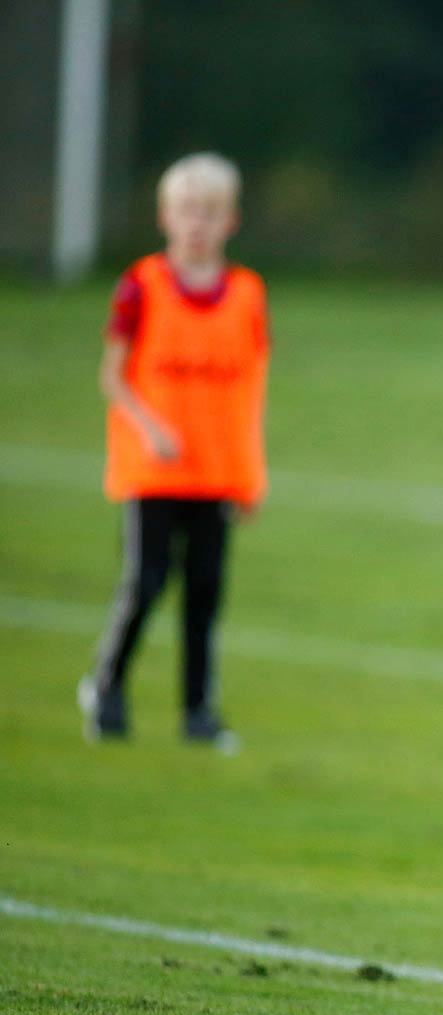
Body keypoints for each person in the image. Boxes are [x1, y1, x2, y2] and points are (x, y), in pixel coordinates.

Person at [79, 153, 270, 751]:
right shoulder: (141, 287)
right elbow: (113, 375)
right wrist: (149, 428)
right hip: (153, 468)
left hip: (215, 470)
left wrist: (250, 475)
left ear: (230, 222)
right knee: (147, 580)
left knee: (206, 592)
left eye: (210, 213)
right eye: (188, 210)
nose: (198, 223)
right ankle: (106, 686)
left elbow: (250, 390)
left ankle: (198, 711)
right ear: (165, 216)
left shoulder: (245, 294)